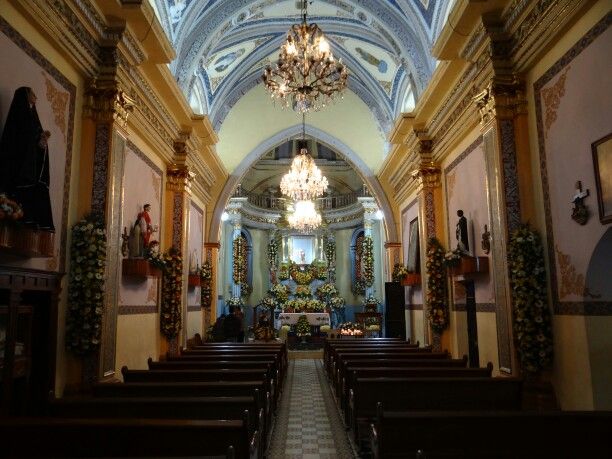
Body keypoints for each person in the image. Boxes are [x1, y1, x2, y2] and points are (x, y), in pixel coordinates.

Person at [0, 87, 54, 230]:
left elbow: (35, 142)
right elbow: (20, 141)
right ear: (26, 96)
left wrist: (42, 141)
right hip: (21, 169)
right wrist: (38, 138)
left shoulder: (33, 117)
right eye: (33, 93)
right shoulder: (20, 116)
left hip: (33, 168)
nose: (36, 96)